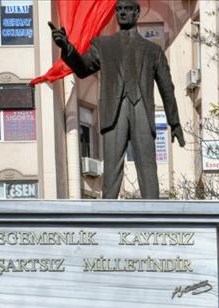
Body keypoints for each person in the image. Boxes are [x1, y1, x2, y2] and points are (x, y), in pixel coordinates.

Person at [50, 0, 184, 199]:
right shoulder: (103, 45)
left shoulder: (153, 51)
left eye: (127, 9)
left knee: (147, 167)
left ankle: (155, 214)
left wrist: (174, 122)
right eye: (119, 9)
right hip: (114, 112)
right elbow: (83, 68)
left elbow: (167, 87)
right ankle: (107, 216)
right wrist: (67, 48)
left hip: (141, 111)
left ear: (137, 13)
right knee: (111, 168)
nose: (122, 13)